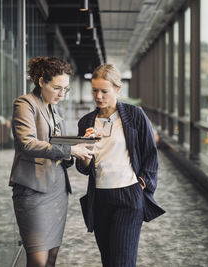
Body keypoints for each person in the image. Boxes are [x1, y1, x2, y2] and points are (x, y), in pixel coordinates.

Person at [76, 63, 165, 267]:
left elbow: (151, 155)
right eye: (95, 91)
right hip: (99, 198)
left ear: (117, 89)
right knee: (108, 261)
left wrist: (141, 184)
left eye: (104, 91)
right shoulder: (86, 122)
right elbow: (84, 168)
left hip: (128, 197)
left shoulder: (135, 116)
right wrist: (86, 148)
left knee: (122, 263)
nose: (98, 96)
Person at [9, 56, 93, 267]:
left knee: (52, 256)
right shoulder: (25, 104)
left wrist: (81, 142)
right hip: (32, 189)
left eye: (65, 89)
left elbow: (58, 143)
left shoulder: (55, 109)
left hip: (57, 189)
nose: (61, 94)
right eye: (57, 88)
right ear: (41, 81)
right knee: (38, 259)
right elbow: (28, 144)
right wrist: (70, 150)